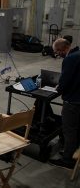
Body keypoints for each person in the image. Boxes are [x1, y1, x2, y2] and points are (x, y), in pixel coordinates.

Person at [49, 38, 80, 169]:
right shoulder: (78, 54)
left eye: (57, 52)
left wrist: (58, 88)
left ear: (63, 49)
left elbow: (65, 80)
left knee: (69, 130)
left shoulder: (70, 59)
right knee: (76, 129)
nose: (57, 55)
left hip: (72, 101)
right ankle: (72, 152)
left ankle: (67, 160)